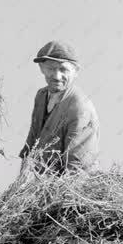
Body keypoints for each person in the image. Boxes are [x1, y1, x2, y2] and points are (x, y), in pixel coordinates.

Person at [19, 40, 99, 175]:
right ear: (41, 69)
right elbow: (32, 142)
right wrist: (21, 184)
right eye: (50, 68)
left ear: (76, 71)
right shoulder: (41, 96)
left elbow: (77, 168)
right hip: (42, 182)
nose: (56, 76)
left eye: (63, 69)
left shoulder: (80, 108)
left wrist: (58, 193)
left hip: (68, 187)